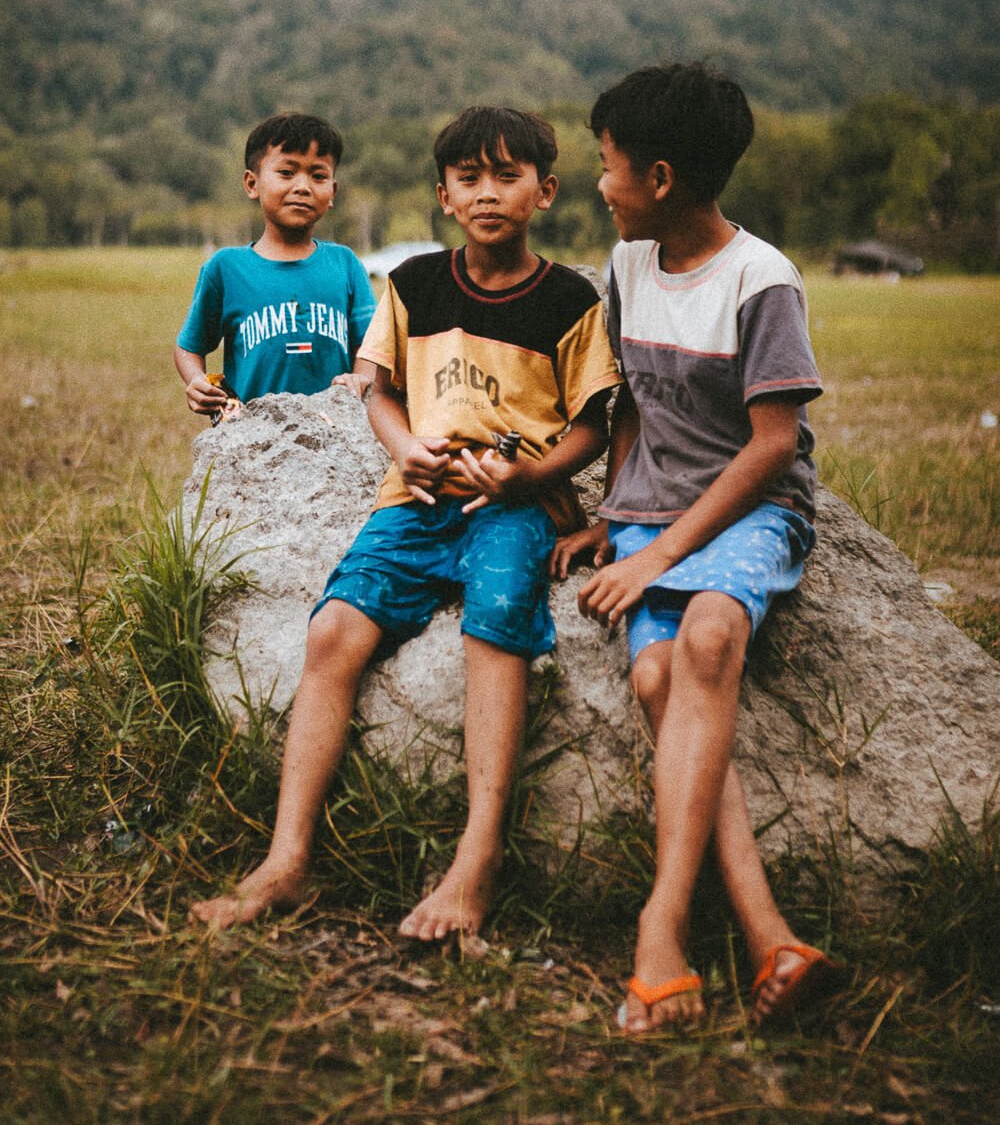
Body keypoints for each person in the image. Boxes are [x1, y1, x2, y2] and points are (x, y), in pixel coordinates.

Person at [190, 105, 621, 935]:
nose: (488, 194)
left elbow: (597, 422)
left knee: (495, 629)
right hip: (416, 499)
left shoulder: (571, 299)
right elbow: (379, 390)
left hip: (516, 505)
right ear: (443, 195)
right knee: (333, 632)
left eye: (507, 177)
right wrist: (405, 448)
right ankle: (287, 861)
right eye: (469, 179)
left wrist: (532, 473)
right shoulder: (414, 284)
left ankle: (478, 856)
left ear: (546, 192)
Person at [552, 63, 831, 1033]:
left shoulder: (762, 281)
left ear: (659, 178)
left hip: (746, 512)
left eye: (606, 166)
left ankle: (658, 934)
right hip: (649, 514)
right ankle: (769, 938)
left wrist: (656, 555)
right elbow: (634, 404)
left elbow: (771, 445)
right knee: (656, 676)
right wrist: (610, 516)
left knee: (707, 640)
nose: (599, 184)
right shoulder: (628, 268)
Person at [174, 112, 376, 416]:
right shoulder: (226, 269)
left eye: (318, 176)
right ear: (252, 183)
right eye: (287, 172)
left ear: (332, 192)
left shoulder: (345, 264)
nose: (303, 187)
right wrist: (197, 382)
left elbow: (372, 347)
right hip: (254, 441)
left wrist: (361, 378)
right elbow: (189, 346)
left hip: (336, 438)